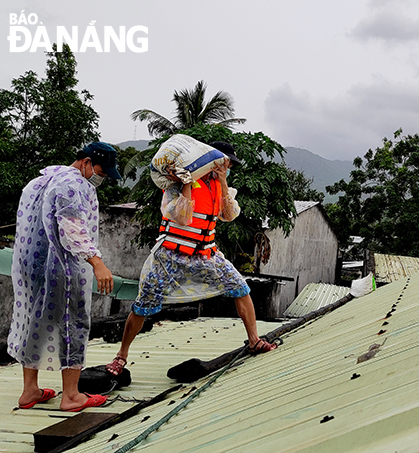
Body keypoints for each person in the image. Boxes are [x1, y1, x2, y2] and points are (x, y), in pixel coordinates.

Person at [106, 141, 277, 376]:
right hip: (169, 256)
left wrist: (224, 181)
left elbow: (229, 214)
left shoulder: (219, 187)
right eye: (224, 162)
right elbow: (183, 217)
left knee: (240, 288)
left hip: (205, 254)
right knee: (144, 305)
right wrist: (186, 183)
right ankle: (120, 357)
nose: (226, 166)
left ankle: (254, 340)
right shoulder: (175, 186)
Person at [7, 142, 121, 411]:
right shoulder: (73, 184)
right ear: (86, 162)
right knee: (73, 323)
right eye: (101, 172)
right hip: (62, 266)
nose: (101, 178)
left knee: (33, 320)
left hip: (30, 266)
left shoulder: (40, 181)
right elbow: (72, 228)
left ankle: (30, 391)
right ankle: (71, 395)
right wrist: (97, 263)